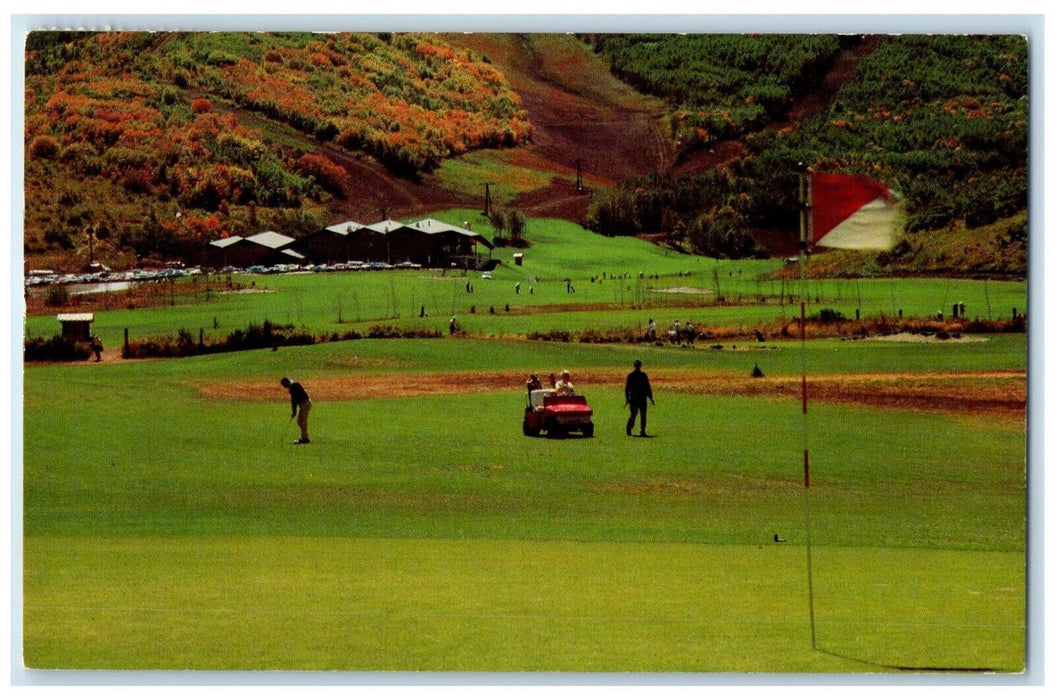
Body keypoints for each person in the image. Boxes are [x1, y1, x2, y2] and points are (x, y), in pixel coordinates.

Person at [624, 359, 654, 437]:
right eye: (637, 365)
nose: (638, 367)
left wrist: (650, 397)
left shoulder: (644, 375)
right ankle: (629, 428)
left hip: (642, 398)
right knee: (633, 414)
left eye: (639, 365)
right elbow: (627, 388)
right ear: (635, 366)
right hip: (634, 398)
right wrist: (627, 398)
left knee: (643, 415)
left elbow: (648, 387)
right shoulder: (631, 376)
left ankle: (642, 431)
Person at [280, 377, 311, 444]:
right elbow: (294, 401)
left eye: (284, 385)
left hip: (305, 403)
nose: (284, 387)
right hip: (304, 404)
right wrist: (294, 411)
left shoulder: (294, 386)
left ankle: (305, 438)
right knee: (300, 421)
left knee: (302, 421)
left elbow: (293, 401)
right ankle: (304, 437)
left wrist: (294, 412)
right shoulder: (293, 386)